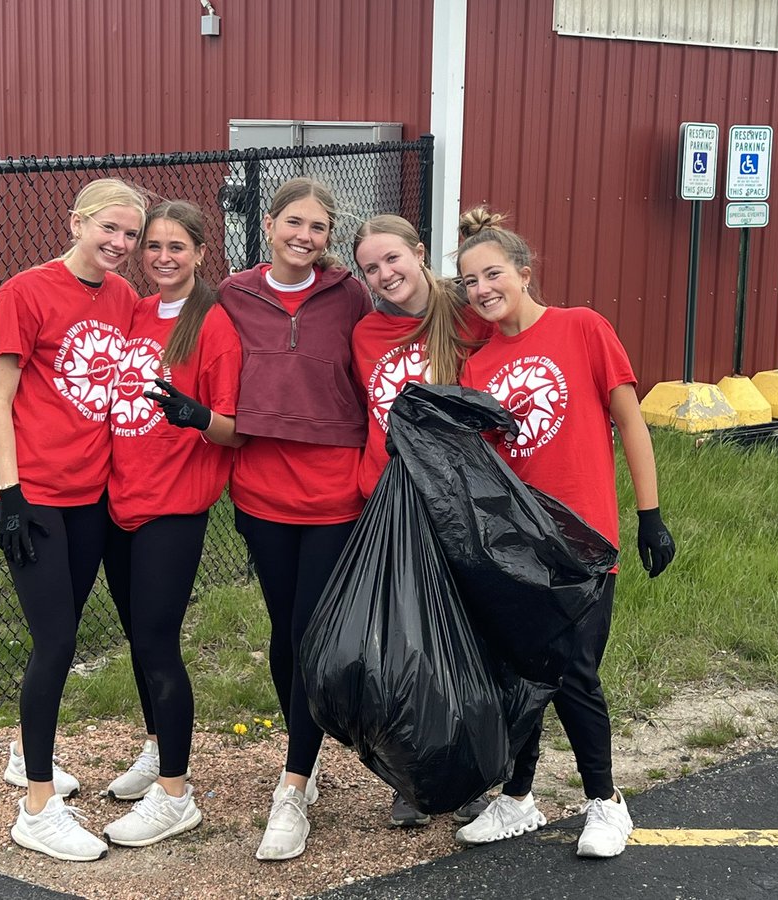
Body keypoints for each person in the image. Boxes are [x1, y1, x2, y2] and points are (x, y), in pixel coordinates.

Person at [453, 207, 676, 859]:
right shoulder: (479, 364)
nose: (483, 288)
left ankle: (606, 804)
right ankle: (518, 798)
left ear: (524, 272)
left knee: (575, 672)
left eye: (493, 273)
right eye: (470, 281)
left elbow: (631, 423)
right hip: (517, 548)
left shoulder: (582, 328)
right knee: (518, 673)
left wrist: (650, 514)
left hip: (583, 543)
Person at [0, 177, 148, 862]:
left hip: (93, 495)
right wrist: (13, 493)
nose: (119, 243)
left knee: (69, 625)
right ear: (77, 222)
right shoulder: (23, 291)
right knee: (54, 639)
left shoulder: (124, 298)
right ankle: (38, 809)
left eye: (130, 235)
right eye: (107, 228)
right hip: (36, 495)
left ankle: (25, 753)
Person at [216, 177, 371, 861]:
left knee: (313, 633)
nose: (306, 238)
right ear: (271, 224)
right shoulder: (234, 295)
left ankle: (293, 783)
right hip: (261, 491)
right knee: (285, 631)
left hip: (335, 493)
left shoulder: (349, 295)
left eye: (319, 229)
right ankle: (300, 753)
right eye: (295, 224)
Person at [99, 200, 244, 847]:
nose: (161, 257)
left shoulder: (212, 324)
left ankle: (176, 794)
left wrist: (198, 418)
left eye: (175, 247)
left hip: (173, 507)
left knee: (158, 644)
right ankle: (158, 746)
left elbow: (238, 431)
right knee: (137, 639)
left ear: (200, 253)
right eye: (152, 246)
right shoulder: (132, 309)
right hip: (118, 498)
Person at [350, 214, 492, 827]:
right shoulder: (365, 333)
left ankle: (474, 775)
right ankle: (415, 775)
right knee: (406, 646)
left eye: (392, 260)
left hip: (458, 504)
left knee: (467, 642)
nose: (385, 276)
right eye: (371, 269)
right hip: (388, 502)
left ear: (417, 252)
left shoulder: (465, 318)